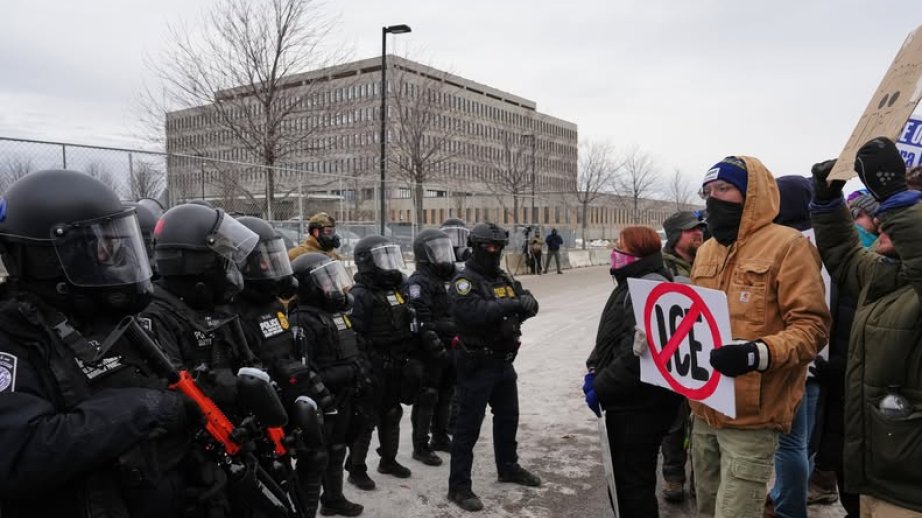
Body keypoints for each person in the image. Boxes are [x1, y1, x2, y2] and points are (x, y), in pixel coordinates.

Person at [0, 171, 198, 517]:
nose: (111, 259)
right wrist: (142, 408)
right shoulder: (12, 334)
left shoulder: (103, 318)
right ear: (51, 258)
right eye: (99, 247)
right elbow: (19, 454)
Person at [690, 156, 830, 518]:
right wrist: (658, 341)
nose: (713, 198)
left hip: (751, 416)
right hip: (704, 409)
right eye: (707, 191)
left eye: (723, 188)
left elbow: (812, 327)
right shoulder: (706, 250)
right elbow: (693, 318)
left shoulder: (788, 246)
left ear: (750, 194)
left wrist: (757, 353)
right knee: (706, 508)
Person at [810, 137, 922, 517]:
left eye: (901, 209)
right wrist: (827, 202)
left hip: (910, 493)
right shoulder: (889, 273)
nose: (882, 219)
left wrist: (896, 196)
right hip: (873, 476)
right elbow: (845, 257)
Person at [232, 216, 342, 518]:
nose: (270, 267)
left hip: (289, 398)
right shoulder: (233, 311)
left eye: (273, 259)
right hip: (258, 414)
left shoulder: (273, 306)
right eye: (262, 261)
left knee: (314, 458)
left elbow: (290, 352)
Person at [584, 226, 682, 518]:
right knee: (625, 485)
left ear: (637, 252)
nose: (614, 251)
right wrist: (594, 366)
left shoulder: (648, 288)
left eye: (620, 246)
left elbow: (636, 357)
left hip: (639, 408)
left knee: (633, 489)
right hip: (629, 404)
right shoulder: (631, 282)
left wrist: (601, 387)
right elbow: (613, 335)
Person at [447, 223, 541, 512]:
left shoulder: (502, 277)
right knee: (467, 427)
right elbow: (474, 312)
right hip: (476, 363)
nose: (494, 251)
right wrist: (513, 304)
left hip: (503, 361)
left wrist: (526, 304)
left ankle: (508, 466)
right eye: (488, 246)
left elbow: (527, 303)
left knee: (508, 418)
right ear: (476, 247)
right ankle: (459, 486)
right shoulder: (464, 281)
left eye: (498, 247)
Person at [762, 175, 825, 518]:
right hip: (821, 359)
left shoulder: (788, 245)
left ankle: (788, 508)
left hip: (792, 357)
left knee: (789, 444)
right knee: (804, 441)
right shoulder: (825, 240)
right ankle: (786, 496)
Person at [290, 253, 368, 517]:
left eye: (333, 279)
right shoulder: (302, 320)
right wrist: (348, 372)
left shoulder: (336, 314)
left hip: (344, 394)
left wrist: (360, 370)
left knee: (337, 449)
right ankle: (304, 511)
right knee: (315, 458)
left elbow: (352, 346)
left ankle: (333, 499)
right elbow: (306, 371)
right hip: (321, 401)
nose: (333, 286)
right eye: (326, 281)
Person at [345, 235, 417, 489]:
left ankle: (388, 460)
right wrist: (363, 369)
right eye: (381, 258)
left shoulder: (396, 289)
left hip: (396, 361)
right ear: (367, 262)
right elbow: (355, 335)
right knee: (367, 418)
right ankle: (356, 469)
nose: (388, 264)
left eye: (389, 257)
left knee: (392, 412)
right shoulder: (360, 294)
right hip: (374, 363)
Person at [657, 210, 706, 503]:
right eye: (691, 230)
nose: (698, 233)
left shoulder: (710, 261)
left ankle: (702, 479)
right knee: (675, 423)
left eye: (699, 228)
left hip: (704, 354)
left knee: (703, 423)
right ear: (676, 236)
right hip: (675, 358)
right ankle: (673, 476)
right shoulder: (661, 268)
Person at [407, 229, 458, 466]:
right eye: (437, 251)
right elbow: (422, 318)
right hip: (428, 350)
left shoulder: (450, 278)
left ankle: (440, 436)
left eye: (444, 250)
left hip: (451, 346)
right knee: (427, 396)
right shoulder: (419, 282)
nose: (443, 255)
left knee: (446, 393)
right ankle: (420, 446)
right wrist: (439, 338)